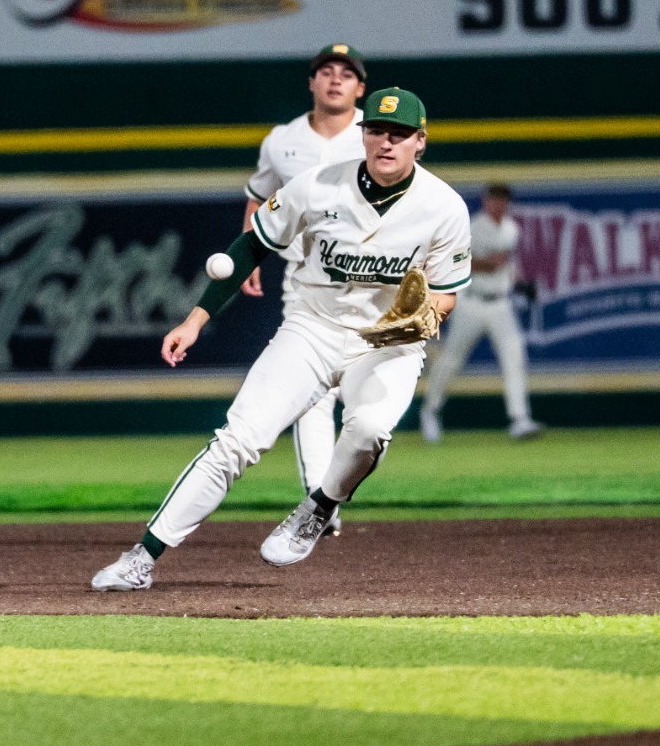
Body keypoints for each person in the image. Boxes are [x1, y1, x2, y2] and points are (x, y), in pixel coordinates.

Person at [92, 88, 469, 590]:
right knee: (236, 441)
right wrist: (195, 319)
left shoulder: (445, 208)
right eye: (377, 130)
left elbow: (444, 299)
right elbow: (251, 245)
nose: (386, 142)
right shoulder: (317, 186)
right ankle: (141, 558)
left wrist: (413, 323)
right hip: (312, 329)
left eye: (399, 134)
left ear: (420, 142)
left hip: (388, 341)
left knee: (370, 428)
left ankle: (320, 506)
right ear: (363, 134)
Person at [240, 43, 366, 528]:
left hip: (373, 283)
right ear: (312, 82)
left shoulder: (374, 136)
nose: (336, 79)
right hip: (306, 281)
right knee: (314, 394)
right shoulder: (282, 140)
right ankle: (322, 503)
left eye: (347, 73)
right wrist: (249, 252)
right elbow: (257, 197)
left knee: (366, 399)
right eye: (326, 71)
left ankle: (332, 488)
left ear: (360, 87)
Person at [420, 183, 541, 441]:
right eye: (494, 200)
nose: (498, 205)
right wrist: (489, 264)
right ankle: (430, 411)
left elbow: (506, 267)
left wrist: (520, 285)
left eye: (502, 200)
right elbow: (458, 261)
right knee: (452, 359)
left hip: (500, 303)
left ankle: (519, 419)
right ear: (486, 202)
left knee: (514, 356)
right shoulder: (473, 227)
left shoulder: (511, 229)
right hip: (471, 303)